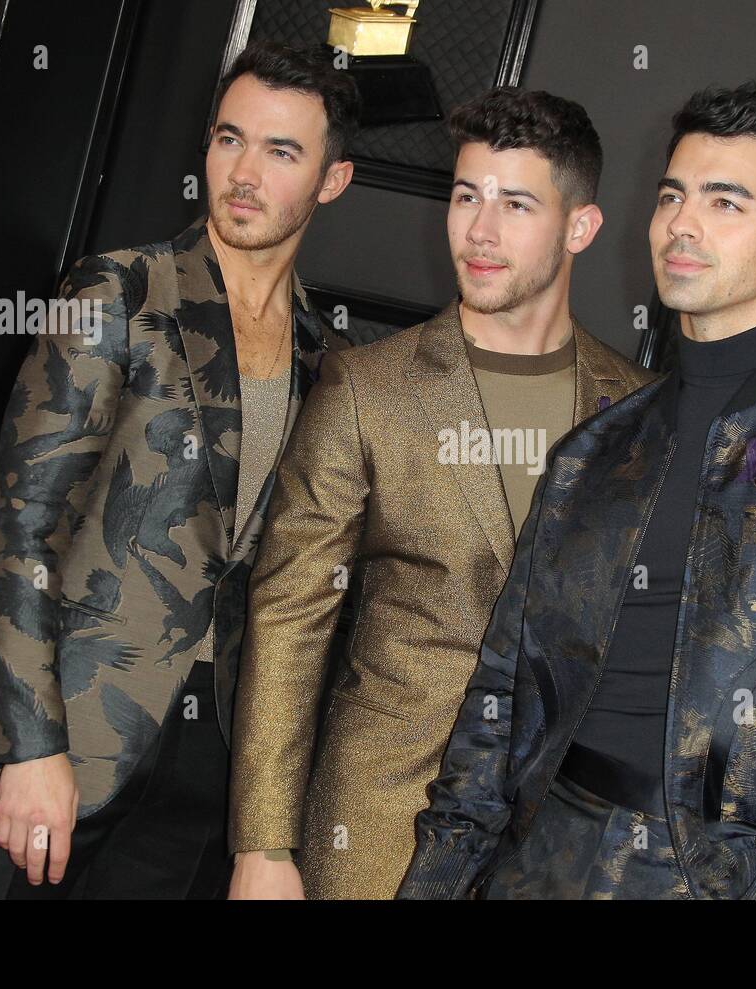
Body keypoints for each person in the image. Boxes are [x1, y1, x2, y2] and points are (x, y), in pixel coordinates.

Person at [398, 82, 756, 900]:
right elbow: (500, 689)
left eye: (726, 201)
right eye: (672, 195)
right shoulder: (597, 449)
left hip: (717, 876)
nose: (682, 224)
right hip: (537, 856)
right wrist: (443, 877)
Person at [0, 42, 358, 898]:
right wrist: (34, 747)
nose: (243, 172)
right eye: (229, 139)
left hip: (196, 773)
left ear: (331, 181)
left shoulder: (327, 360)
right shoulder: (121, 292)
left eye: (281, 151)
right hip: (46, 743)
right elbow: (20, 535)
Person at [228, 87, 656, 899]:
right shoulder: (368, 388)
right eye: (466, 196)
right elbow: (290, 617)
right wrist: (262, 845)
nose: (480, 231)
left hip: (557, 853)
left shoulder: (638, 409)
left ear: (580, 227)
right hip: (379, 828)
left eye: (516, 203)